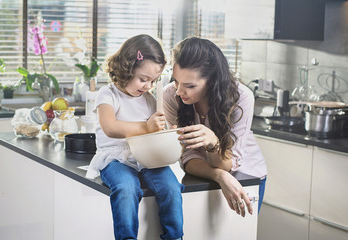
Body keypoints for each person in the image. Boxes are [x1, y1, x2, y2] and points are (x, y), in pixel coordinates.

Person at [85, 34, 184, 240]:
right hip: (115, 158)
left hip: (147, 157)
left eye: (153, 81)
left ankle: (174, 236)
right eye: (143, 79)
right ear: (126, 69)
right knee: (126, 188)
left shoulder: (149, 99)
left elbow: (154, 134)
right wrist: (146, 126)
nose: (148, 86)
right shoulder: (108, 94)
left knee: (172, 186)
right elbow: (110, 127)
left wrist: (167, 132)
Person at [163, 37, 267, 217]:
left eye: (189, 86)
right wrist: (219, 176)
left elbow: (229, 163)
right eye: (176, 81)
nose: (179, 91)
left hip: (244, 177)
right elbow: (187, 157)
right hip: (204, 175)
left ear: (211, 81)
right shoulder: (171, 95)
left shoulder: (241, 97)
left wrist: (213, 143)